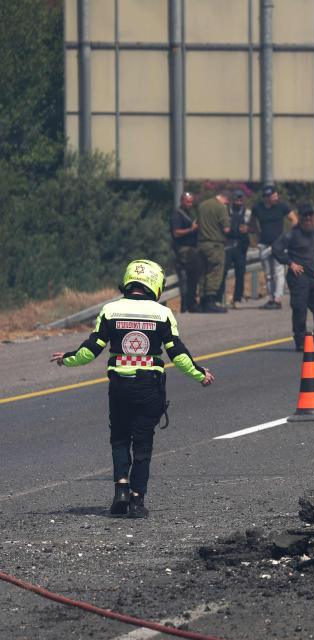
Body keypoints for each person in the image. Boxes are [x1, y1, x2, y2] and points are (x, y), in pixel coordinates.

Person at [50, 260, 214, 518]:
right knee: (143, 443)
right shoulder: (162, 313)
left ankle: (121, 491)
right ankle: (137, 501)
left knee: (119, 439)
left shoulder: (110, 310)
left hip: (119, 387)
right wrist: (199, 373)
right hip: (149, 386)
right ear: (155, 284)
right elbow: (177, 354)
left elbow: (91, 349)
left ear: (128, 281)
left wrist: (67, 358)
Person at [273, 203, 314, 352]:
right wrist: (290, 263)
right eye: (305, 216)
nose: (308, 219)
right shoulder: (292, 233)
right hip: (298, 277)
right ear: (300, 218)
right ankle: (300, 342)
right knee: (300, 310)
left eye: (310, 215)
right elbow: (276, 248)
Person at [251, 185, 297, 309]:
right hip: (264, 244)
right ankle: (271, 298)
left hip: (278, 245)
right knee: (268, 274)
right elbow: (252, 222)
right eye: (273, 196)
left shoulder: (281, 207)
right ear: (266, 197)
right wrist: (256, 235)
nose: (276, 197)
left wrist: (288, 236)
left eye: (276, 195)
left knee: (278, 273)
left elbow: (294, 219)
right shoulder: (257, 208)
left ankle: (278, 299)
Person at [196, 189, 230, 313]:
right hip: (215, 244)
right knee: (214, 272)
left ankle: (202, 302)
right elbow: (226, 229)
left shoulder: (202, 205)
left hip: (201, 244)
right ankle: (210, 302)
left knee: (203, 273)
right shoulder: (221, 208)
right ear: (226, 199)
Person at [217, 189, 251, 308]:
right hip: (228, 244)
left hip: (241, 245)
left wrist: (248, 229)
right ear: (232, 199)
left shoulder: (247, 213)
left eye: (241, 198)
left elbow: (255, 227)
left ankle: (237, 299)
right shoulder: (225, 211)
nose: (239, 200)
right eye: (236, 198)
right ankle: (219, 299)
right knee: (223, 272)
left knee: (240, 273)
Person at [169, 192, 201, 313]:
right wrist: (191, 229)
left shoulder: (189, 213)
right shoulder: (177, 215)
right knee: (187, 278)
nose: (190, 204)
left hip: (192, 248)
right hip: (183, 249)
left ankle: (191, 303)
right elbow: (176, 232)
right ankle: (187, 304)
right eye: (187, 201)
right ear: (182, 201)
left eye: (191, 201)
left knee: (193, 277)